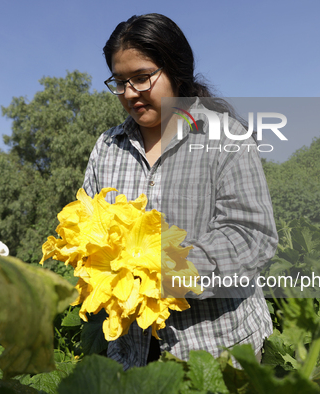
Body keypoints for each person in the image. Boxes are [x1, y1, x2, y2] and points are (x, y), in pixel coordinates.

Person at [82, 13, 278, 370]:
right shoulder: (108, 148)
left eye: (142, 78)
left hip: (218, 354)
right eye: (120, 81)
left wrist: (162, 269)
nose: (129, 93)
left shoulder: (224, 137)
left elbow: (253, 237)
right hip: (133, 356)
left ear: (175, 71)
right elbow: (87, 228)